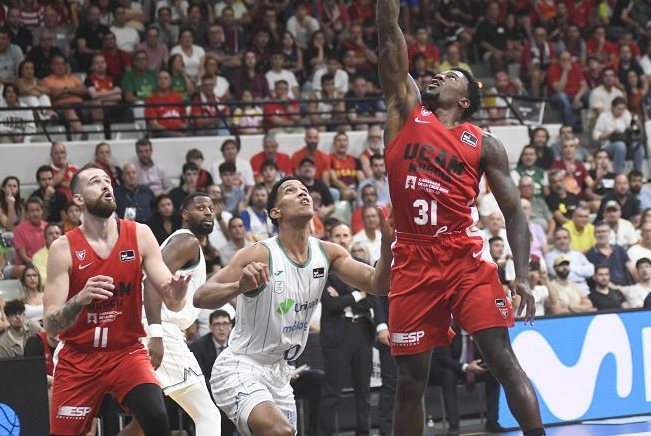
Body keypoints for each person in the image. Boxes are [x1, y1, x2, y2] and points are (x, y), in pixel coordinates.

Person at [374, 0, 545, 436]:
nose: (436, 74)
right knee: (410, 381)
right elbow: (388, 30)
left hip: (464, 257)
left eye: (449, 75)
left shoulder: (483, 142)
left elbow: (515, 212)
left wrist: (522, 273)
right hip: (412, 260)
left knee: (502, 359)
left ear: (466, 99)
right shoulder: (404, 109)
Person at [192, 176, 393, 436]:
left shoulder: (328, 252)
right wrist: (239, 287)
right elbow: (200, 296)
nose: (302, 193)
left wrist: (387, 247)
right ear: (275, 212)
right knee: (280, 431)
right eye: (290, 190)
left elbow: (378, 285)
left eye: (305, 190)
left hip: (280, 373)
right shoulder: (260, 253)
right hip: (241, 365)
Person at [42, 165, 193, 436]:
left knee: (157, 419)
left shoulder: (140, 234)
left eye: (108, 181)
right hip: (79, 357)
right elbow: (51, 324)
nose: (105, 185)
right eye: (94, 182)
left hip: (126, 352)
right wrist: (79, 300)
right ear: (78, 199)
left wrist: (178, 295)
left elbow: (171, 300)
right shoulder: (63, 248)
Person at [123, 193, 220, 436]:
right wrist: (156, 334)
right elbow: (151, 283)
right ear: (184, 215)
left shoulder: (185, 244)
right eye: (200, 207)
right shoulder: (186, 242)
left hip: (146, 328)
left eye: (211, 208)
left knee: (140, 427)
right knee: (207, 414)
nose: (208, 212)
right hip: (160, 330)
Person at [320, 223, 376, 436]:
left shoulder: (362, 265)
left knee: (364, 391)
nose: (342, 239)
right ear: (330, 238)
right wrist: (356, 295)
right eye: (337, 235)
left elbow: (372, 300)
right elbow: (330, 304)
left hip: (361, 331)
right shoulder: (323, 268)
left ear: (351, 238)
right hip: (336, 334)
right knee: (331, 391)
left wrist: (345, 299)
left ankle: (364, 432)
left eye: (345, 235)